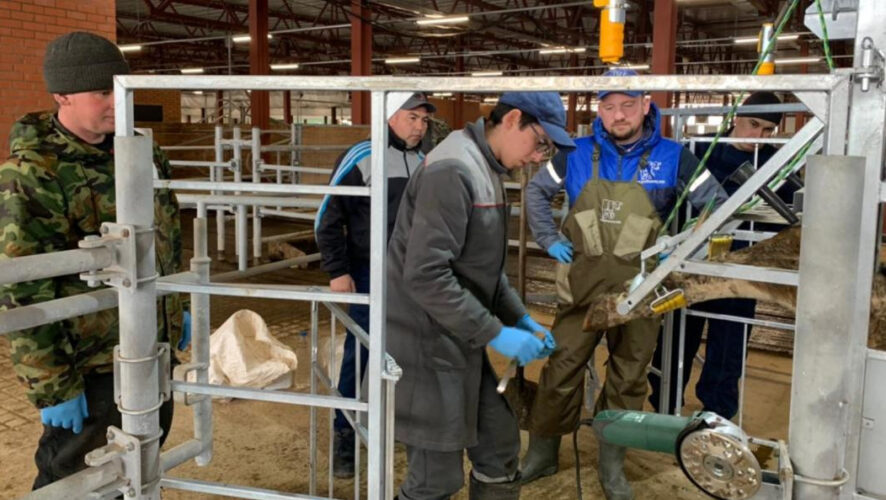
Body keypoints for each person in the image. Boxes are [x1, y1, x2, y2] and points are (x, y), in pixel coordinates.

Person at [520, 68, 728, 499]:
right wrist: (548, 238)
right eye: (610, 105)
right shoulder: (573, 152)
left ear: (645, 105)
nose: (618, 114)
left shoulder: (675, 157)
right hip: (582, 285)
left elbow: (718, 205)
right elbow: (536, 193)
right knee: (561, 368)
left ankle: (611, 464)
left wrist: (686, 249)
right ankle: (542, 455)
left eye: (628, 105)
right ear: (599, 108)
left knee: (629, 375)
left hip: (642, 289)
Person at [0, 31, 185, 489]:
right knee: (77, 478)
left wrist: (176, 306)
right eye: (102, 92)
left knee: (142, 460)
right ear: (62, 94)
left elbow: (168, 237)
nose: (116, 102)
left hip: (151, 349)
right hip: (91, 366)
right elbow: (23, 287)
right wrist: (54, 386)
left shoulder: (143, 152)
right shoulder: (34, 172)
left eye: (121, 90)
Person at [386, 92, 572, 500]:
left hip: (460, 336)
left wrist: (520, 318)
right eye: (540, 142)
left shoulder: (487, 166)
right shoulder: (452, 170)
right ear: (512, 120)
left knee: (499, 449)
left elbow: (483, 267)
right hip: (426, 342)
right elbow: (426, 275)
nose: (540, 157)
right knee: (435, 477)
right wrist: (496, 333)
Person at [647, 91, 790, 419]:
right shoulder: (698, 149)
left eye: (768, 130)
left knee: (730, 343)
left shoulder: (778, 161)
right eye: (753, 124)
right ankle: (665, 401)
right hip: (691, 263)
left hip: (740, 270)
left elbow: (789, 216)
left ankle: (718, 412)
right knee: (677, 335)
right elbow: (666, 201)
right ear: (736, 116)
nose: (758, 137)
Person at [314, 92, 436, 478]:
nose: (420, 126)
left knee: (412, 351)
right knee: (359, 354)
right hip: (371, 272)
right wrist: (337, 270)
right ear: (390, 117)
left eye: (424, 120)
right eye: (413, 118)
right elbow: (327, 216)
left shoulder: (423, 160)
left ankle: (403, 425)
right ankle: (344, 437)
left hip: (416, 273)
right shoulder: (363, 156)